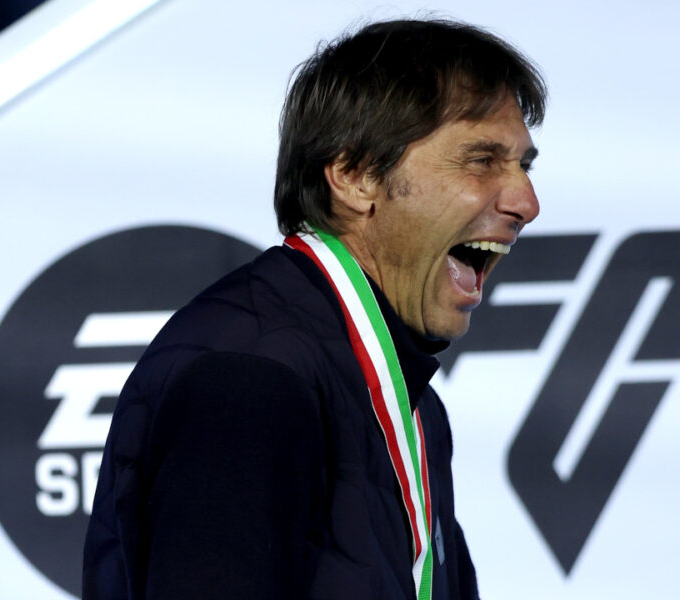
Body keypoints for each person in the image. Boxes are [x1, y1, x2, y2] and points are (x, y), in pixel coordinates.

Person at [83, 18, 546, 600]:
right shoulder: (249, 374)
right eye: (481, 160)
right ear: (354, 176)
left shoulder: (407, 402)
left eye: (523, 166)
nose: (526, 202)